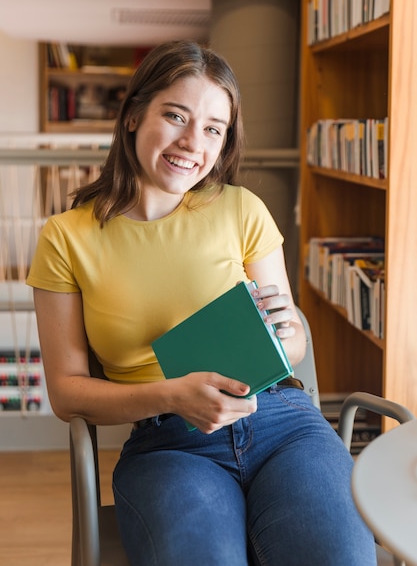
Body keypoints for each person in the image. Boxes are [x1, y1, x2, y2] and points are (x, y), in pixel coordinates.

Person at [26, 40, 376, 566]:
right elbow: (67, 393)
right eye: (175, 116)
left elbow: (295, 343)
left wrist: (286, 331)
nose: (193, 142)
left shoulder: (241, 209)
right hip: (169, 445)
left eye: (214, 128)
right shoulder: (65, 237)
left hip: (283, 424)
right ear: (133, 115)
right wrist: (172, 396)